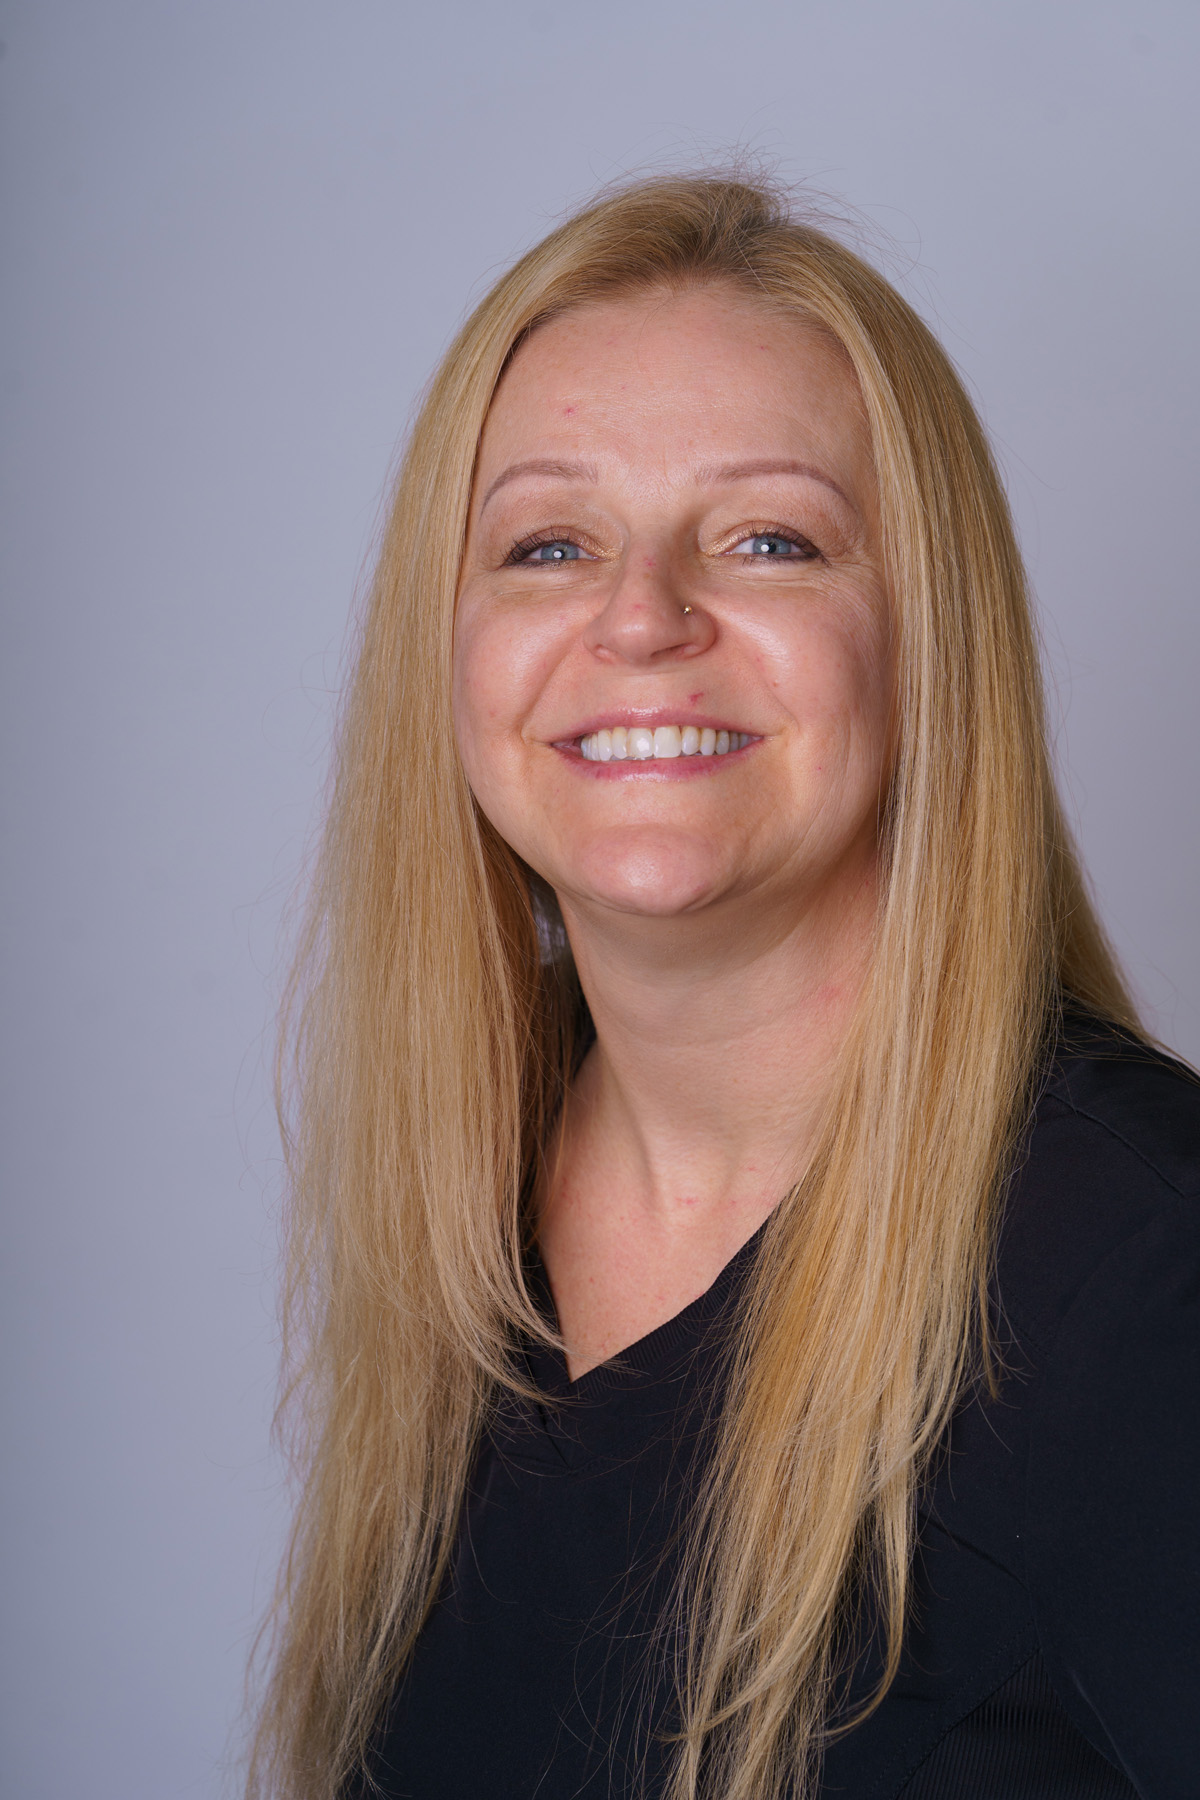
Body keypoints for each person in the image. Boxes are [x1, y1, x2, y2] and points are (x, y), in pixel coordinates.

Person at [248, 173, 1200, 1800]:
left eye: (770, 538)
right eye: (549, 544)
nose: (640, 618)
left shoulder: (1147, 1283)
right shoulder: (465, 1195)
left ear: (922, 637)